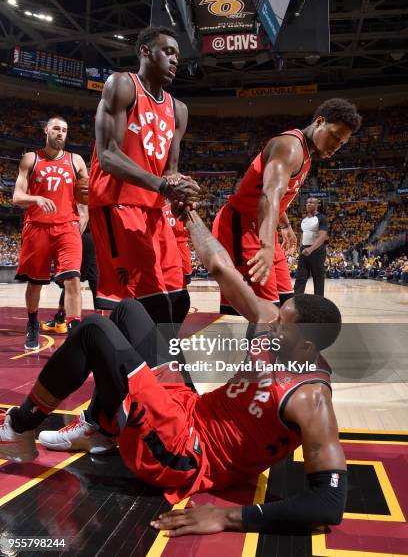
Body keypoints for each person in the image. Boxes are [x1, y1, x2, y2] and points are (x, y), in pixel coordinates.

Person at [0, 208, 346, 536]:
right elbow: (221, 268)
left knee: (94, 331)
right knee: (128, 311)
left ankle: (19, 428)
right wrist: (189, 213)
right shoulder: (274, 324)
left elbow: (328, 504)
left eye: (283, 325)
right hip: (190, 410)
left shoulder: (311, 398)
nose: (272, 324)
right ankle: (101, 429)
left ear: (306, 347)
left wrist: (229, 517)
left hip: (187, 453)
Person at [88, 25, 199, 335]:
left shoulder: (179, 109)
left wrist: (179, 187)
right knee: (144, 301)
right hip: (117, 203)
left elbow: (170, 169)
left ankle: (155, 369)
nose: (175, 60)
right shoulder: (122, 85)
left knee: (177, 297)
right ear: (145, 51)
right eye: (169, 51)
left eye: (178, 54)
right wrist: (163, 185)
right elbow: (108, 156)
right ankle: (127, 374)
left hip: (153, 209)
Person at [213, 98, 361, 314]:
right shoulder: (290, 147)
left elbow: (280, 194)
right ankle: (259, 348)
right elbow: (268, 195)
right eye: (334, 136)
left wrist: (284, 225)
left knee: (286, 304)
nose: (336, 146)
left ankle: (274, 347)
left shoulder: (307, 153)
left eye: (341, 143)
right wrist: (267, 247)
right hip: (242, 226)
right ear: (320, 122)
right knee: (266, 312)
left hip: (264, 227)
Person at [13, 116, 88, 350]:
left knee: (73, 279)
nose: (60, 133)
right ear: (46, 130)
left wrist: (81, 222)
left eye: (64, 130)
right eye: (56, 128)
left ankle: (75, 334)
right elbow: (16, 197)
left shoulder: (76, 161)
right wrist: (36, 198)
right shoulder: (31, 159)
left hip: (67, 227)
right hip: (37, 227)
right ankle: (33, 323)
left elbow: (84, 201)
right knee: (35, 284)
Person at [40, 227, 99, 334]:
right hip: (93, 237)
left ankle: (60, 320)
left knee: (71, 278)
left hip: (80, 235)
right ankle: (100, 322)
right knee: (94, 279)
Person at [294, 197, 328, 296]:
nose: (309, 204)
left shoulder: (321, 218)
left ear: (317, 205)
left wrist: (311, 248)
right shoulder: (304, 220)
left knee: (318, 277)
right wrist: (300, 248)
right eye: (308, 202)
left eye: (312, 203)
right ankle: (296, 299)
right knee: (300, 276)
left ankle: (319, 300)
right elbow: (303, 234)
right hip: (304, 250)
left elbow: (322, 236)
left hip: (317, 251)